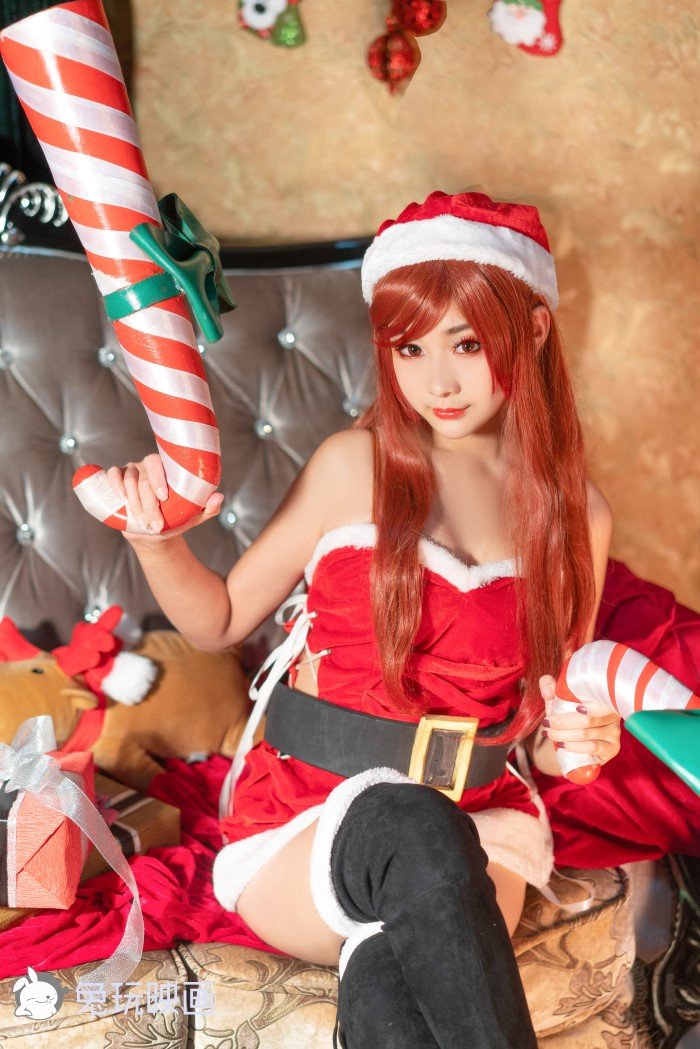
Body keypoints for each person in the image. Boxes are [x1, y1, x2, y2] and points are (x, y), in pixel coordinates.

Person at [107, 191, 623, 1048]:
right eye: (410, 348)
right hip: (308, 816)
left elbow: (544, 730)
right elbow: (219, 620)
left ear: (532, 331)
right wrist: (155, 541)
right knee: (415, 829)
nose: (437, 381)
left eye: (467, 343)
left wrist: (582, 738)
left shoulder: (578, 519)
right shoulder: (352, 467)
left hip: (482, 819)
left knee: (402, 958)